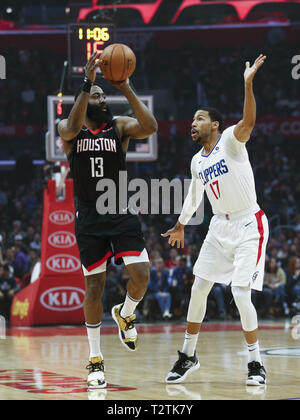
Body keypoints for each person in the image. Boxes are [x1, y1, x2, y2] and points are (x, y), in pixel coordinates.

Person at [162, 54, 268, 386]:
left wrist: (248, 85)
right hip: (218, 227)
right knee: (199, 288)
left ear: (215, 125)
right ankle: (188, 355)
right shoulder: (197, 160)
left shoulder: (232, 142)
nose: (192, 124)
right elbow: (196, 195)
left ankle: (255, 362)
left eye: (199, 118)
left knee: (240, 293)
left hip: (249, 223)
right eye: (191, 120)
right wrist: (180, 223)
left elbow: (248, 122)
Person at [58, 51, 157, 389]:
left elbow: (151, 126)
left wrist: (126, 88)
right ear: (83, 101)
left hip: (121, 211)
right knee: (94, 287)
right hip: (88, 218)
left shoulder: (120, 126)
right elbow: (70, 126)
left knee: (141, 276)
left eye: (103, 94)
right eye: (95, 95)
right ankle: (96, 360)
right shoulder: (70, 131)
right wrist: (88, 83)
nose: (101, 97)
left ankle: (126, 313)